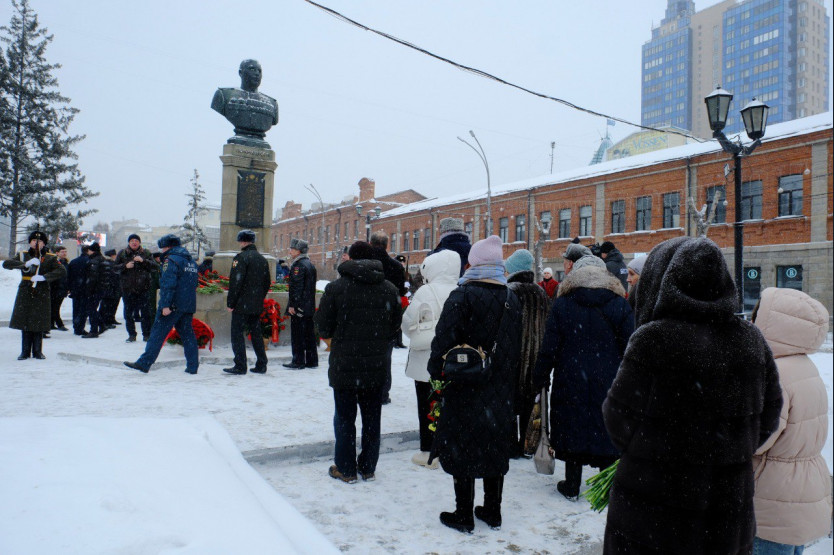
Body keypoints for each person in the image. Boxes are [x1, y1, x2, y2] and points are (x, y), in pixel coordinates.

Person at [601, 236, 783, 554]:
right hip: (725, 512)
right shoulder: (751, 339)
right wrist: (726, 451)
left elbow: (618, 419)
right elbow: (769, 417)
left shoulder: (652, 339)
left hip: (652, 514)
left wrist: (656, 452)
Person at [428, 235, 522, 533]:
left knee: (463, 445)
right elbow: (516, 345)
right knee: (494, 445)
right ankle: (493, 511)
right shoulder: (511, 298)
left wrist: (436, 372)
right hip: (501, 387)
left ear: (474, 264)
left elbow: (443, 341)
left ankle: (463, 514)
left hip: (465, 384)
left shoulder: (462, 295)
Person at [532, 251, 633, 500]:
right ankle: (605, 485)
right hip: (608, 379)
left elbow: (549, 347)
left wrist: (540, 376)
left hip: (571, 376)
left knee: (572, 424)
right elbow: (630, 347)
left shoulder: (563, 304)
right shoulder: (619, 304)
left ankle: (571, 484)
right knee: (605, 426)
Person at [751, 287, 831, 554]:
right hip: (800, 493)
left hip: (772, 497)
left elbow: (758, 439)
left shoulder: (775, 374)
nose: (751, 323)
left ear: (773, 323)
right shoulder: (804, 366)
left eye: (757, 316)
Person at [315, 241, 401, 484]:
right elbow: (395, 326)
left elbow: (323, 327)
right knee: (372, 418)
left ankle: (346, 468)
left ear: (350, 258)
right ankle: (368, 467)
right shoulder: (389, 289)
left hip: (345, 364)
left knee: (344, 418)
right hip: (375, 365)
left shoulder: (336, 288)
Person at [401, 249, 460, 469]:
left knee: (427, 406)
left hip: (425, 360)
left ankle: (429, 451)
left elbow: (408, 323)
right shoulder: (461, 290)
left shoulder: (426, 291)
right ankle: (449, 447)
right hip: (453, 359)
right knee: (450, 405)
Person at [124, 234, 199, 375]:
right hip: (187, 304)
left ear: (168, 247)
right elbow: (193, 284)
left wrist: (165, 305)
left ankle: (144, 363)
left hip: (172, 305)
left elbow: (168, 284)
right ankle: (193, 366)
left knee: (157, 334)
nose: (162, 250)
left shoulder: (171, 260)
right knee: (188, 335)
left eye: (163, 247)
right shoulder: (191, 262)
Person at [504, 249, 549, 459]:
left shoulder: (509, 291)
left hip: (514, 356)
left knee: (510, 402)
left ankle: (511, 445)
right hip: (536, 357)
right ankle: (527, 444)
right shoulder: (540, 292)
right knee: (531, 402)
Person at [3, 230, 66, 360]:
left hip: (41, 291)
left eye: (40, 241)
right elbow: (6, 264)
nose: (36, 243)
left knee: (39, 321)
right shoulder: (23, 255)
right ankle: (25, 351)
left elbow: (61, 271)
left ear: (44, 243)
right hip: (25, 290)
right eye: (33, 240)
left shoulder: (50, 257)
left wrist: (44, 277)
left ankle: (38, 351)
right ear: (30, 242)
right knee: (25, 321)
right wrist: (25, 264)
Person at [223, 230, 271, 375]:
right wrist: (259, 298)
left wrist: (231, 303)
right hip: (256, 304)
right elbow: (267, 282)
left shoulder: (241, 258)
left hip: (241, 304)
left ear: (243, 242)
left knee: (237, 334)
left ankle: (240, 365)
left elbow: (236, 282)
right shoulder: (262, 259)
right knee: (256, 334)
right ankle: (262, 364)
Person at [369, 231, 406, 402]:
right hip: (387, 317)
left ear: (371, 243)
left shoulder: (364, 265)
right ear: (386, 245)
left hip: (366, 316)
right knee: (385, 358)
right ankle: (383, 393)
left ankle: (366, 390)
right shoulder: (396, 266)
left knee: (365, 356)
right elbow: (400, 293)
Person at [211, 59, 279, 148]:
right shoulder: (224, 95)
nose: (257, 73)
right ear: (240, 72)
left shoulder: (272, 104)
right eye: (252, 69)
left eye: (259, 71)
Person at [115, 234, 157, 342]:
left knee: (145, 313)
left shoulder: (146, 253)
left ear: (139, 242)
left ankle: (146, 335)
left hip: (144, 289)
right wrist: (125, 266)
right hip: (128, 289)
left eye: (136, 241)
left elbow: (154, 267)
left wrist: (143, 261)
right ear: (129, 243)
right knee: (128, 314)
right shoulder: (123, 253)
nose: (134, 242)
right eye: (132, 241)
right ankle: (132, 335)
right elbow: (114, 268)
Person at [285, 238, 318, 369]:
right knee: (309, 334)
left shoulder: (298, 265)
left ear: (299, 251)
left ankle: (298, 361)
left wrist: (293, 305)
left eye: (292, 249)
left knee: (298, 334)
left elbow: (297, 287)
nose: (290, 251)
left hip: (300, 306)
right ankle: (312, 360)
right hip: (308, 305)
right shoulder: (310, 264)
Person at [81, 242, 108, 338]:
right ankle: (101, 325)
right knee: (93, 309)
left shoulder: (94, 261)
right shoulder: (102, 259)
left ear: (92, 251)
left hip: (95, 289)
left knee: (91, 309)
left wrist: (88, 289)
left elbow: (93, 277)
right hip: (101, 288)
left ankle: (94, 331)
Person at [67, 245, 91, 335]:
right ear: (88, 251)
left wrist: (69, 288)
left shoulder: (73, 261)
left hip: (75, 289)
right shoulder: (89, 261)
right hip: (86, 289)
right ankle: (80, 327)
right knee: (83, 309)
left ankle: (76, 327)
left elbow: (68, 276)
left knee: (76, 309)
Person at [98, 249, 122, 328]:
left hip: (113, 287)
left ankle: (110, 319)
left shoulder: (112, 263)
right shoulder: (109, 264)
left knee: (111, 305)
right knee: (107, 305)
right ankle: (105, 321)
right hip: (109, 288)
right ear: (112, 256)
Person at [50, 245, 70, 331]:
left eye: (65, 251)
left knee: (55, 307)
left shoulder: (66, 263)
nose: (64, 253)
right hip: (55, 288)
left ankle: (51, 323)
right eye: (62, 252)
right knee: (55, 307)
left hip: (62, 288)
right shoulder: (55, 262)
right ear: (57, 253)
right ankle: (59, 324)